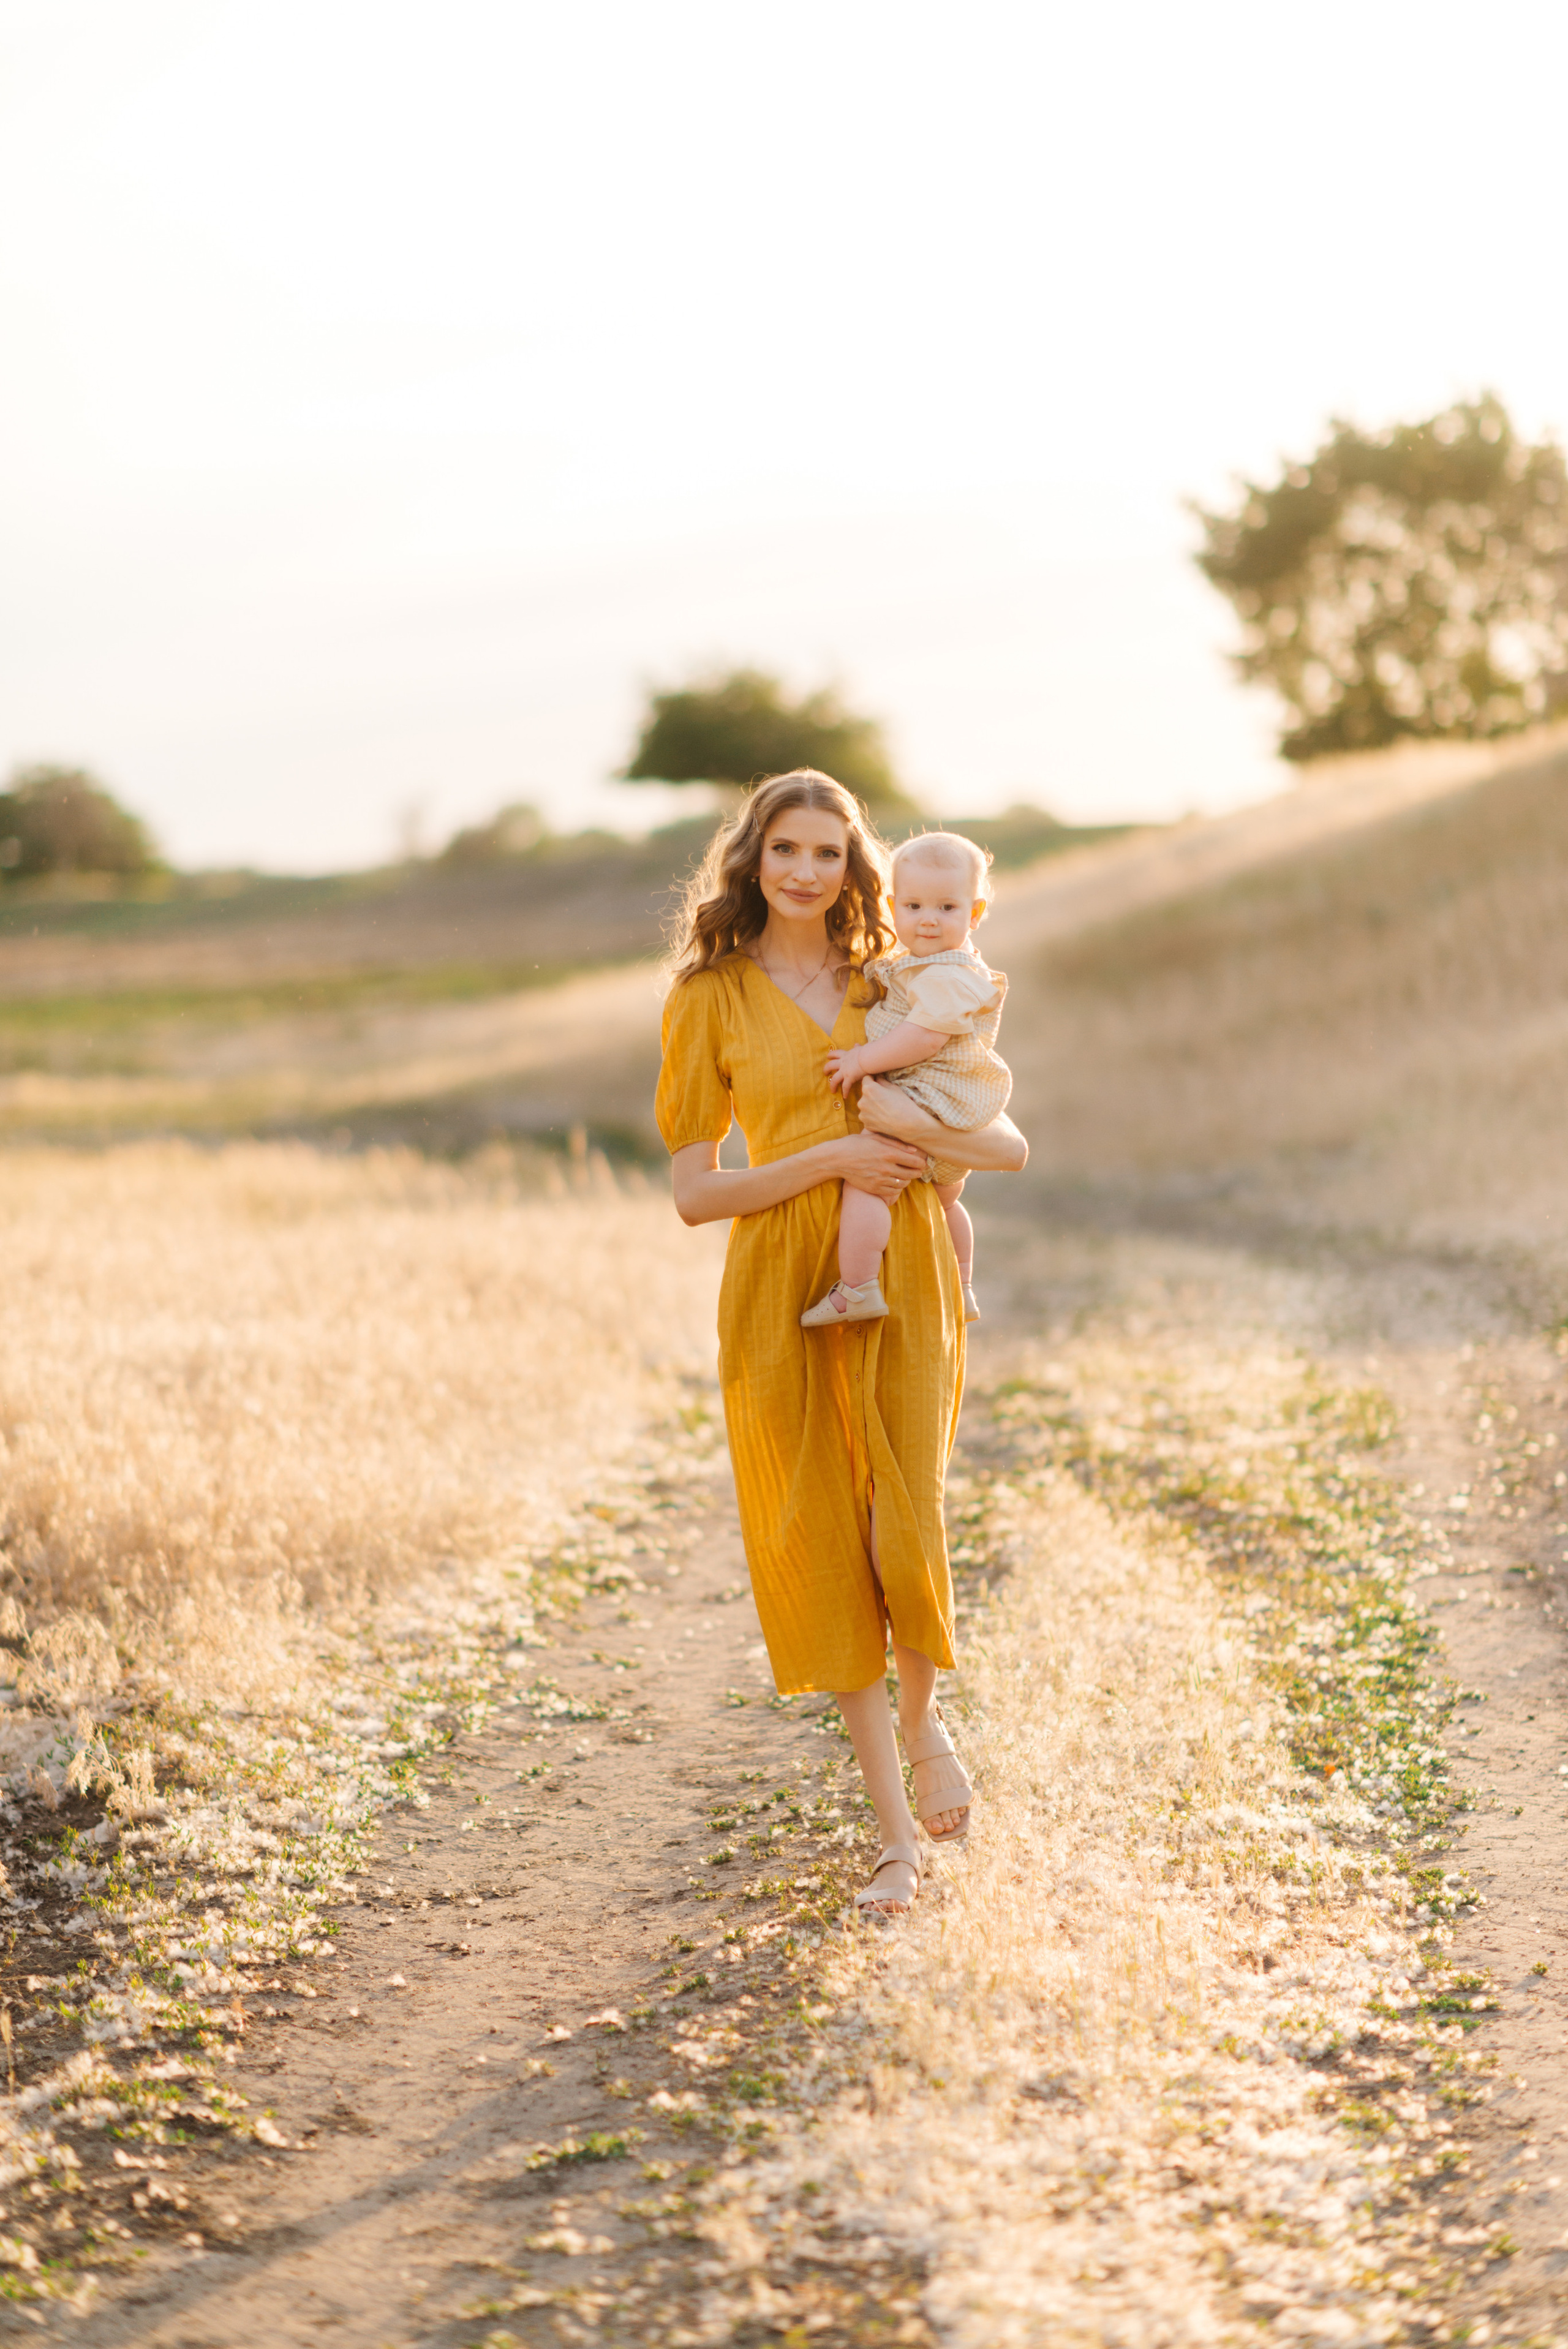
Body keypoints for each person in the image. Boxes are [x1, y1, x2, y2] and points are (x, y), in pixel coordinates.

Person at [656, 769, 1028, 1917]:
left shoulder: (901, 975)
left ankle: (923, 1722)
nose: (808, 872)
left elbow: (998, 1133)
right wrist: (830, 1160)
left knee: (901, 1509)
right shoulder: (709, 995)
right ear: (752, 858)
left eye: (829, 852)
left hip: (902, 1261)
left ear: (854, 862)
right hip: (780, 1279)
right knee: (826, 1532)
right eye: (787, 850)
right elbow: (693, 1194)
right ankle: (895, 1844)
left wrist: (915, 1142)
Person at [801, 830, 1007, 1332]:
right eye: (914, 905)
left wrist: (862, 1061)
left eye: (947, 907)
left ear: (974, 914)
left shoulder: (950, 974)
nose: (929, 919)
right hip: (953, 1111)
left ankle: (857, 1287)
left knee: (867, 1185)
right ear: (893, 906)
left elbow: (922, 1040)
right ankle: (961, 1285)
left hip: (922, 1097)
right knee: (946, 1198)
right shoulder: (924, 965)